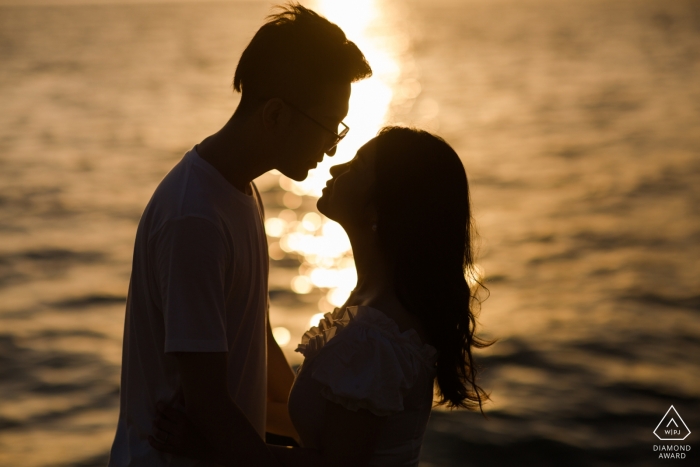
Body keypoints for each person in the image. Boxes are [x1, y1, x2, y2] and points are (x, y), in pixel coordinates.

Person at [107, 3, 372, 466]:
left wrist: (308, 424)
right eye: (328, 127)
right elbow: (207, 405)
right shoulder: (195, 219)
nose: (332, 148)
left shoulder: (240, 190)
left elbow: (254, 334)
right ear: (274, 114)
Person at [149, 126, 492, 466]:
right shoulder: (373, 309)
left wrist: (210, 451)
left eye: (356, 167)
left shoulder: (374, 338)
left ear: (377, 210)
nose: (335, 168)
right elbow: (316, 424)